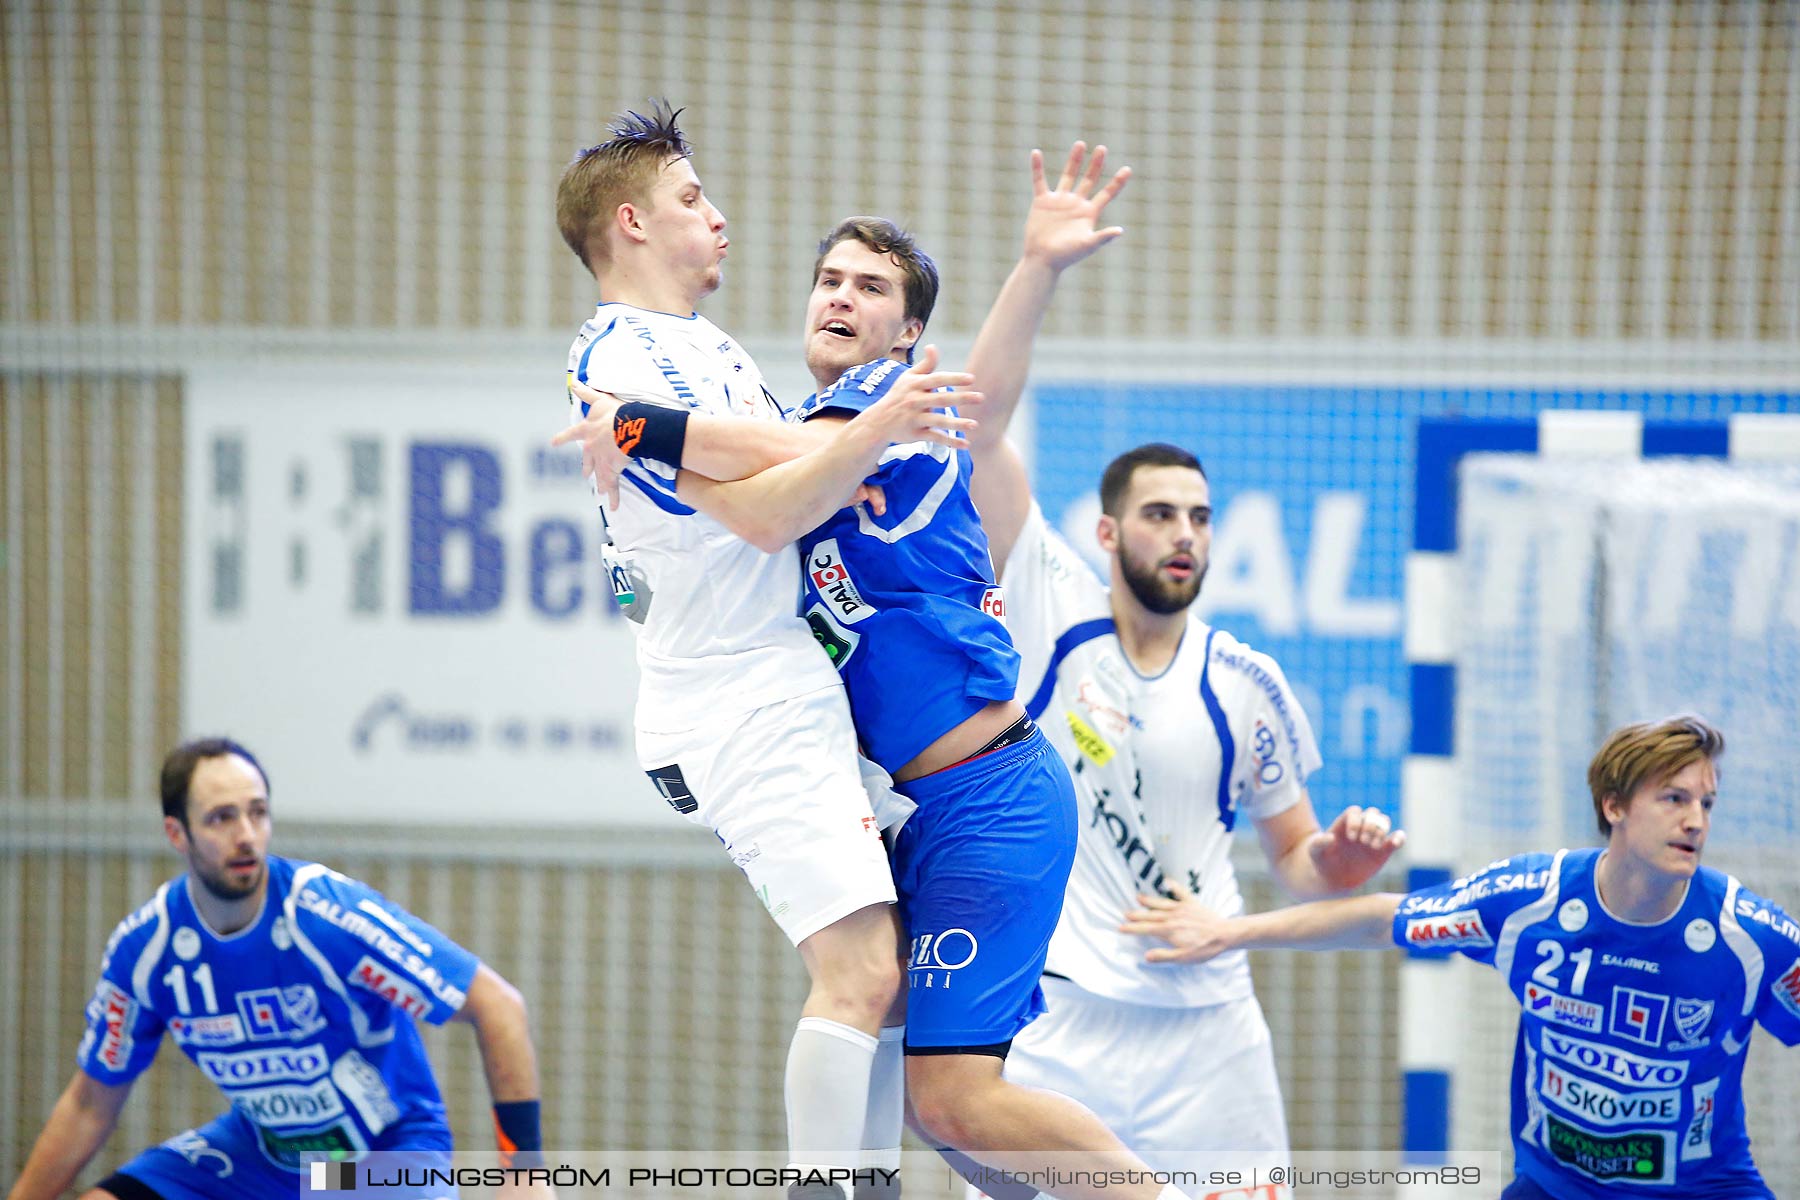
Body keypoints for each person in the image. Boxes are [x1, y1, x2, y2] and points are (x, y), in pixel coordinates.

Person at [565, 144, 1198, 1200]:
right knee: (930, 1083)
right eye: (828, 279)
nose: (841, 296)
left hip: (985, 793)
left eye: (871, 287)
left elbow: (769, 489)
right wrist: (651, 435)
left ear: (910, 332)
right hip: (915, 789)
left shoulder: (892, 402)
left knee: (941, 1086)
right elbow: (763, 481)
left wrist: (635, 428)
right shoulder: (813, 426)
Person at [917, 150, 1404, 1195]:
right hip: (1058, 1020)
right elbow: (982, 428)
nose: (1182, 535)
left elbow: (1300, 862)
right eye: (1158, 514)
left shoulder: (1249, 683)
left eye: (1199, 517)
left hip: (1210, 1032)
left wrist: (1341, 863)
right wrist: (1037, 267)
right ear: (1105, 532)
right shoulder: (1052, 608)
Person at [551, 100, 981, 1198]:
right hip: (740, 694)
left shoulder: (699, 351)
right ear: (635, 222)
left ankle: (862, 1180)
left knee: (888, 972)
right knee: (858, 972)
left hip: (778, 680)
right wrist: (867, 429)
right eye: (696, 199)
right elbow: (766, 509)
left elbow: (762, 460)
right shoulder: (615, 355)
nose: (722, 216)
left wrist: (799, 442)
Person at [1124, 715, 1800, 1200]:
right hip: (1554, 1189)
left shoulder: (1749, 939)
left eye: (1707, 803)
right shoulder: (1531, 902)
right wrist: (1231, 931)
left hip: (1705, 1188)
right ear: (1614, 805)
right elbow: (1383, 921)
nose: (1696, 821)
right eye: (1675, 798)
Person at [6, 737, 548, 1200]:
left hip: (383, 1157)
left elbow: (498, 1006)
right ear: (177, 834)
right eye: (221, 818)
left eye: (257, 812)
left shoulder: (327, 915)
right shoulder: (148, 950)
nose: (246, 834)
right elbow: (88, 1105)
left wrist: (523, 1174)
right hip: (258, 1153)